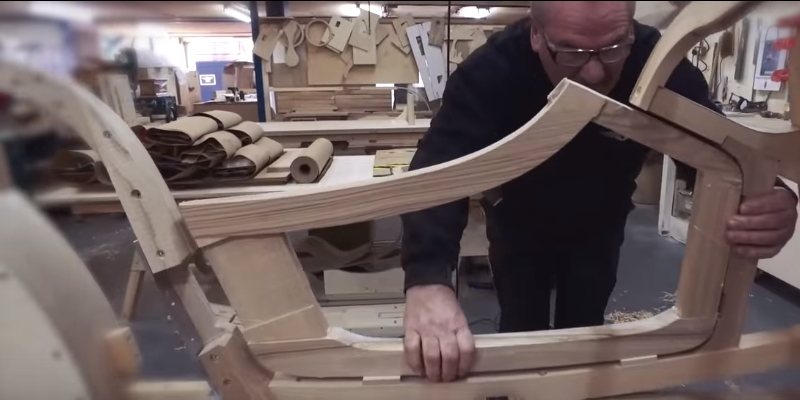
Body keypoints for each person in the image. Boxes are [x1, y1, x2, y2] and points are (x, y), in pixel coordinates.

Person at [400, 1, 799, 383]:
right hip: (517, 218)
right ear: (537, 34)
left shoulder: (655, 62)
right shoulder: (491, 71)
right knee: (521, 328)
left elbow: (718, 149)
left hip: (600, 220)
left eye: (612, 49)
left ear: (630, 30)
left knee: (585, 329)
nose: (593, 72)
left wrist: (766, 197)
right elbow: (438, 172)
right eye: (571, 52)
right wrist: (428, 278)